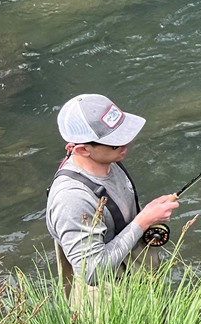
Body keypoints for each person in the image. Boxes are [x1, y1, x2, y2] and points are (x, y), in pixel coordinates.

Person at [46, 93, 179, 301]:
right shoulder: (71, 200)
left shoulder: (107, 160)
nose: (127, 144)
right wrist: (143, 222)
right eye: (116, 143)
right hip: (106, 300)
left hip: (134, 280)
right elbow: (92, 272)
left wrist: (148, 216)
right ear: (82, 149)